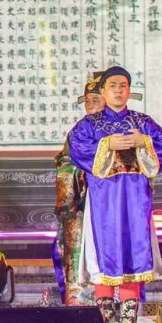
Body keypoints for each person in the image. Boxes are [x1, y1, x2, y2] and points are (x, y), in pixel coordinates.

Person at [66, 66, 162, 323]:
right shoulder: (90, 124)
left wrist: (143, 141)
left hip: (135, 198)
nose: (118, 90)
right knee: (104, 254)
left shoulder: (141, 122)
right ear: (102, 91)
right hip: (103, 200)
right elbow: (76, 147)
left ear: (129, 91)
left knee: (133, 253)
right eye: (112, 85)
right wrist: (107, 144)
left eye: (123, 85)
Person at [53, 73, 103, 306]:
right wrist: (78, 172)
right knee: (77, 251)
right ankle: (79, 304)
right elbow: (65, 162)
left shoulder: (121, 128)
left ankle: (114, 307)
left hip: (109, 203)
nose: (90, 106)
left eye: (96, 100)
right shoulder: (79, 130)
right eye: (87, 101)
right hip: (81, 204)